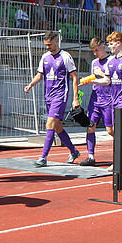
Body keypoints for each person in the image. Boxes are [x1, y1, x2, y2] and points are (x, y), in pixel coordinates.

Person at [24, 31, 81, 167]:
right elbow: (39, 75)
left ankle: (43, 157)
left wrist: (75, 98)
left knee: (49, 124)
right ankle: (74, 151)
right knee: (57, 127)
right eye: (46, 45)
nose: (48, 47)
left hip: (60, 96)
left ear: (56, 41)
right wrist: (30, 85)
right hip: (48, 96)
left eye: (49, 44)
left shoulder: (65, 57)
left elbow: (74, 77)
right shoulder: (45, 57)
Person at [80, 36, 113, 167]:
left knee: (110, 130)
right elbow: (94, 77)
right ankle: (91, 156)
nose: (95, 53)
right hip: (95, 99)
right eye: (93, 51)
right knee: (90, 126)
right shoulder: (94, 62)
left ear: (103, 47)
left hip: (108, 99)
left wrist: (101, 74)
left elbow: (109, 80)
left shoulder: (111, 61)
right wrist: (86, 80)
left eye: (97, 50)